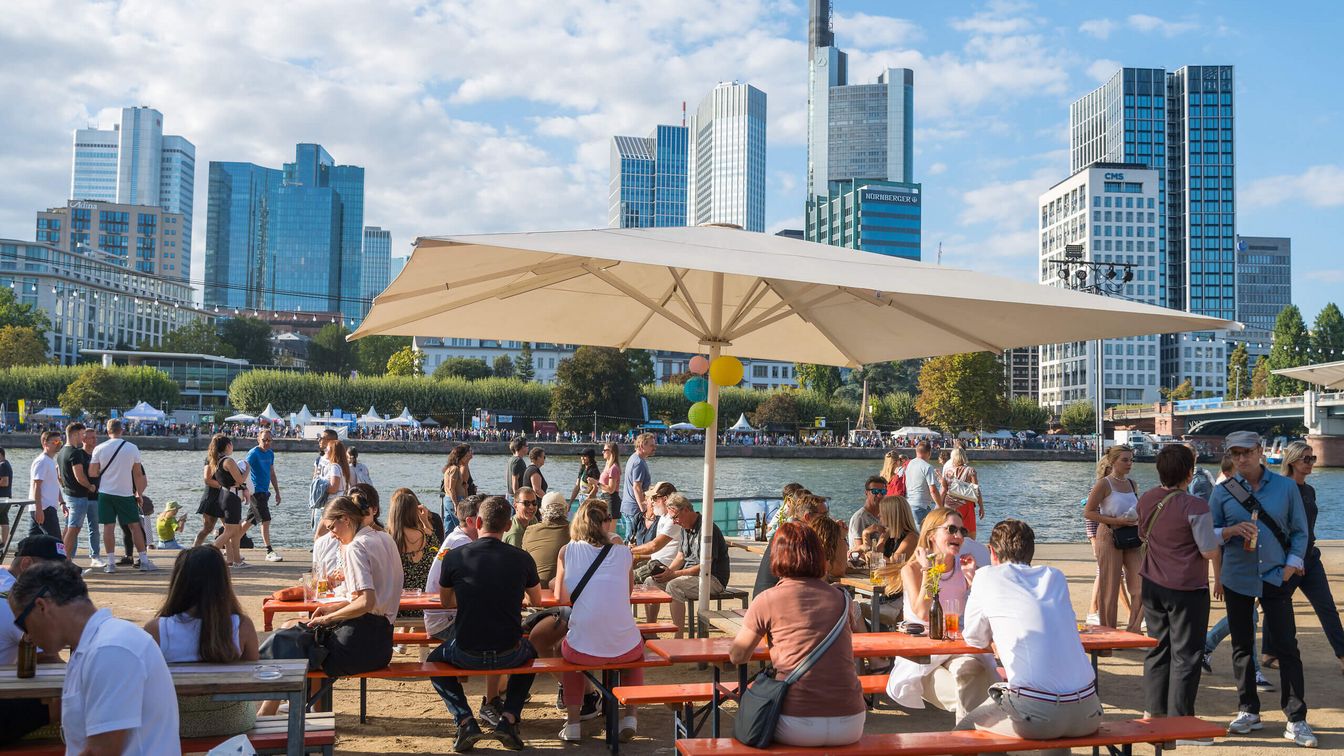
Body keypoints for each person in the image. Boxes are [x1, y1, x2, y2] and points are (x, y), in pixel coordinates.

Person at [1210, 431, 1315, 747]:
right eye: (1235, 453)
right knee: (1242, 646)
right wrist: (1229, 530)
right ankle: (1248, 710)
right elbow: (1208, 534)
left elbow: (1301, 531)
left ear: (1260, 451)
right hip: (1238, 576)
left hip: (1275, 576)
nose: (1241, 459)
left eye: (1247, 452)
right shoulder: (1222, 492)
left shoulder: (1285, 487)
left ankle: (1296, 717)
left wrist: (1291, 564)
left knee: (1286, 646)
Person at [7, 560, 178, 752]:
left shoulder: (110, 649)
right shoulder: (93, 647)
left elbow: (103, 750)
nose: (27, 635)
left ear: (41, 607)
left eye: (22, 624)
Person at [960, 520, 1101, 752]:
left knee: (964, 733)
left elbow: (974, 638)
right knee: (1048, 733)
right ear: (1031, 552)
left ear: (992, 552)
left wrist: (977, 586)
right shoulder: (1054, 577)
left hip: (1039, 714)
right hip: (1088, 711)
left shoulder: (985, 576)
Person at [730, 522, 865, 747]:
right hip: (851, 721)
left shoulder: (767, 600)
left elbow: (738, 656)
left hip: (797, 722)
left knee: (747, 726)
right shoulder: (842, 599)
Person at [429, 495, 541, 751]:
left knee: (432, 664)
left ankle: (465, 720)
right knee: (532, 655)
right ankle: (509, 717)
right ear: (506, 526)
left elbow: (446, 601)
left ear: (478, 521)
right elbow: (536, 599)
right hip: (508, 651)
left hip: (466, 651)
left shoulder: (455, 557)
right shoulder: (522, 558)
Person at [530, 499, 645, 742]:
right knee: (634, 650)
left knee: (570, 652)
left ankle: (573, 723)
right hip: (625, 648)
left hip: (584, 648)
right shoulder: (624, 552)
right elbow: (628, 592)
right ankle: (630, 716)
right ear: (605, 524)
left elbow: (561, 597)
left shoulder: (567, 551)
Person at [886, 507, 997, 723]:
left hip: (955, 645)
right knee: (975, 696)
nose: (958, 536)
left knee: (974, 672)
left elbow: (985, 610)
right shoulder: (913, 569)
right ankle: (976, 744)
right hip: (923, 652)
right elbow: (922, 612)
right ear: (931, 535)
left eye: (962, 531)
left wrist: (973, 582)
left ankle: (968, 744)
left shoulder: (965, 566)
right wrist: (930, 570)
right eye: (951, 529)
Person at [1137, 444, 1221, 726]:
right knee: (1187, 654)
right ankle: (1181, 720)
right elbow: (1208, 550)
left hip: (1152, 582)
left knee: (1158, 647)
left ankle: (1153, 710)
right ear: (1189, 472)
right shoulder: (1195, 505)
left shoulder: (1147, 498)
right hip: (1187, 586)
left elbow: (1141, 533)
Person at [145, 546, 260, 738]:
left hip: (176, 721)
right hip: (231, 720)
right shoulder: (241, 625)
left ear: (179, 582)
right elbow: (253, 676)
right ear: (223, 582)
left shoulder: (156, 629)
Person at [1267, 442, 1344, 674]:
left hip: (1310, 559)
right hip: (1289, 562)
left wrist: (1303, 555)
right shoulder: (1281, 490)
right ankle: (1269, 653)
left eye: (1312, 458)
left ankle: (1342, 655)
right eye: (1306, 459)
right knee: (1278, 606)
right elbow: (1278, 529)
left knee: (1327, 607)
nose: (1311, 463)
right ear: (1291, 461)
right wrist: (1292, 559)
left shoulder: (1310, 491)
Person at [0, 535, 68, 745]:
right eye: (51, 572)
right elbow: (49, 659)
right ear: (26, 564)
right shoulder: (17, 603)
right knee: (67, 700)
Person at [649, 494, 731, 637]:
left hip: (713, 578)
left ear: (686, 510)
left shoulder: (707, 529)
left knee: (674, 586)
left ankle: (678, 636)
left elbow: (705, 566)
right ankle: (650, 632)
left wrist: (674, 574)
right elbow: (681, 556)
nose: (674, 522)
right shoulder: (684, 527)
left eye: (675, 517)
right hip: (691, 575)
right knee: (651, 582)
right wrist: (668, 572)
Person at [1084, 444, 1142, 632]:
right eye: (1125, 460)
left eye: (1131, 459)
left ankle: (1134, 630)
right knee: (1110, 588)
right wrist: (1114, 520)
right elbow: (1089, 512)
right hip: (1109, 534)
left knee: (1140, 585)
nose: (1129, 463)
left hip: (1131, 536)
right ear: (1113, 461)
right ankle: (1108, 635)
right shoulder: (1104, 484)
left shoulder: (1132, 484)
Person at [88, 419, 156, 572]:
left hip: (105, 493)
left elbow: (92, 472)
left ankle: (111, 563)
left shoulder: (99, 448)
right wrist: (139, 493)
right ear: (122, 430)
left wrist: (103, 472)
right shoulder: (132, 448)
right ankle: (143, 560)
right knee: (135, 527)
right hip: (125, 493)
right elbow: (138, 474)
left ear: (107, 431)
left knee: (108, 527)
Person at [389, 488, 440, 620]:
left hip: (397, 604)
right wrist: (425, 521)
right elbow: (439, 556)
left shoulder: (389, 539)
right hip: (425, 602)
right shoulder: (427, 536)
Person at [57, 422, 100, 564]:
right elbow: (79, 476)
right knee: (73, 529)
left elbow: (59, 474)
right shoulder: (75, 453)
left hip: (68, 494)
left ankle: (62, 558)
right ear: (75, 434)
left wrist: (64, 484)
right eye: (82, 434)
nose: (83, 438)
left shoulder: (62, 451)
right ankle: (66, 561)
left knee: (69, 528)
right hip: (78, 497)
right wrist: (90, 486)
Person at [205, 434, 249, 569]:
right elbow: (240, 479)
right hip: (231, 498)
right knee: (230, 532)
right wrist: (247, 468)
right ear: (228, 445)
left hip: (224, 495)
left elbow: (231, 481)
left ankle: (237, 561)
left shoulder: (216, 461)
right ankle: (207, 555)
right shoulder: (228, 461)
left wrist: (239, 484)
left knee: (234, 532)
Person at [245, 429, 283, 562]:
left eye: (269, 440)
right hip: (256, 492)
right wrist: (245, 489)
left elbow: (272, 473)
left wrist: (277, 492)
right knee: (266, 519)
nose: (267, 443)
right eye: (264, 440)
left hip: (265, 492)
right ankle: (269, 551)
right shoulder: (253, 453)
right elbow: (243, 470)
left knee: (249, 522)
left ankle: (230, 543)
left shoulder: (270, 453)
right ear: (258, 439)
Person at [522, 491, 571, 587]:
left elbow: (524, 562)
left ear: (541, 512)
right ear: (566, 510)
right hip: (567, 591)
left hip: (538, 590)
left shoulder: (530, 531)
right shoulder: (577, 531)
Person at [27, 430, 63, 539]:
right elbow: (36, 486)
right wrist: (39, 509)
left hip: (46, 507)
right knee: (56, 541)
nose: (58, 444)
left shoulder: (50, 461)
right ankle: (61, 557)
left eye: (60, 441)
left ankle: (24, 555)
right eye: (55, 442)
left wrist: (62, 502)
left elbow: (54, 485)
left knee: (32, 543)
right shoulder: (42, 461)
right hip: (44, 508)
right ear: (45, 443)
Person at [620, 433, 655, 542]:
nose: (654, 448)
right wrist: (643, 509)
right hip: (634, 509)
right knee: (632, 541)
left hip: (629, 506)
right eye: (651, 445)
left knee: (631, 539)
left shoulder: (634, 458)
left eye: (654, 445)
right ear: (641, 446)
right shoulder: (638, 462)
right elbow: (636, 487)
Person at [942, 447, 983, 539]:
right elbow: (976, 490)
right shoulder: (970, 470)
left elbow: (944, 490)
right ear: (964, 456)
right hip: (966, 505)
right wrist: (981, 507)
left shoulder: (947, 471)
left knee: (951, 534)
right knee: (969, 536)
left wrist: (940, 506)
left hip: (950, 505)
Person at [903, 441, 944, 526]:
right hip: (921, 507)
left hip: (908, 505)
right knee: (922, 537)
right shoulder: (927, 467)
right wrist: (940, 506)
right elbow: (933, 490)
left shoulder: (908, 464)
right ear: (929, 453)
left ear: (916, 451)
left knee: (913, 536)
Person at [873, 494, 919, 563]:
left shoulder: (912, 538)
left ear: (892, 515)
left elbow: (893, 563)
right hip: (886, 573)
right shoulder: (888, 533)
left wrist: (872, 554)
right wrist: (865, 533)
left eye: (882, 512)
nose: (878, 515)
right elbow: (875, 560)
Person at [847, 476, 887, 552]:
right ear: (866, 493)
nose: (879, 495)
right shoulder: (859, 518)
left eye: (883, 491)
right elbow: (860, 551)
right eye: (875, 491)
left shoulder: (884, 515)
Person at [442, 444, 472, 521]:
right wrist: (456, 504)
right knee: (459, 524)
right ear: (461, 456)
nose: (466, 457)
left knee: (449, 526)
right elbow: (451, 488)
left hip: (450, 498)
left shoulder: (451, 468)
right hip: (455, 499)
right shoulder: (454, 469)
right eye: (466, 455)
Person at [598, 441, 622, 512]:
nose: (603, 452)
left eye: (605, 450)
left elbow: (611, 490)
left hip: (611, 500)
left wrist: (596, 483)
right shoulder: (608, 465)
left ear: (611, 452)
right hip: (604, 498)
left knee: (609, 523)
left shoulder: (613, 468)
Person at [505, 436, 529, 500]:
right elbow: (514, 480)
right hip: (515, 497)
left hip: (510, 495)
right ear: (522, 447)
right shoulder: (518, 461)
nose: (528, 448)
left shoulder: (512, 459)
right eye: (527, 446)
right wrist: (518, 498)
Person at [0, 447, 11, 546]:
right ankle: (3, 543)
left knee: (3, 519)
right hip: (6, 497)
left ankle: (3, 542)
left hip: (2, 498)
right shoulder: (6, 464)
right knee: (3, 519)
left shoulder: (2, 465)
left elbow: (4, 482)